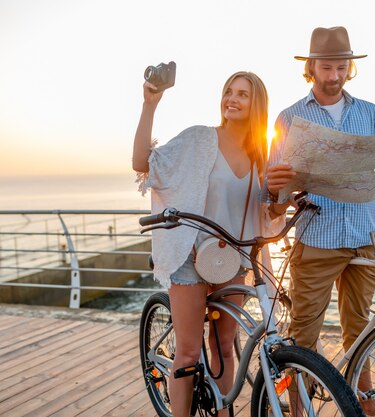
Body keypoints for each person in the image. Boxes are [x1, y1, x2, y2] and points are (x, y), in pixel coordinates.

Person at [264, 26, 375, 417]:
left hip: (362, 235)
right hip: (317, 238)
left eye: (341, 67)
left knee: (359, 331)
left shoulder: (370, 113)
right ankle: (298, 408)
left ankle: (365, 406)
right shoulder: (290, 118)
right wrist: (278, 188)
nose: (335, 75)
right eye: (327, 67)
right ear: (312, 68)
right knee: (303, 332)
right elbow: (276, 183)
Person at [133, 70, 274, 417]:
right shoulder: (200, 139)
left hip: (231, 259)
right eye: (229, 91)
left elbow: (266, 212)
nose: (232, 99)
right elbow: (142, 163)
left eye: (242, 94)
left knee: (225, 347)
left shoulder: (262, 156)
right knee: (188, 353)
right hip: (190, 254)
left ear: (257, 104)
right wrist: (150, 105)